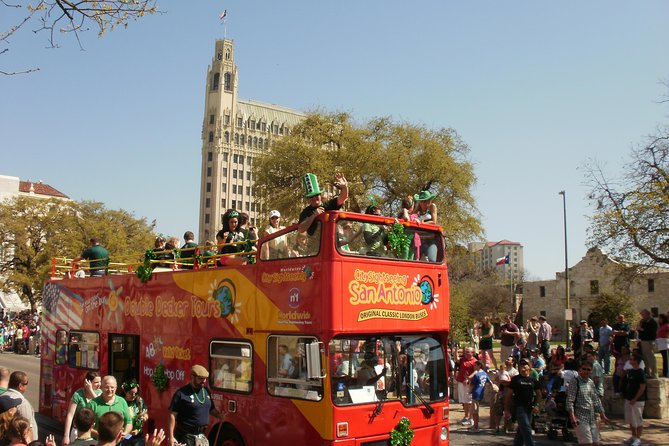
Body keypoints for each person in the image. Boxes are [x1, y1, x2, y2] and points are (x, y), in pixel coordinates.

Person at [168, 365, 223, 446]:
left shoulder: (206, 391)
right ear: (192, 377)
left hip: (201, 435)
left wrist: (219, 415)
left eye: (205, 378)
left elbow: (211, 409)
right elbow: (172, 415)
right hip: (185, 435)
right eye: (200, 378)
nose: (203, 381)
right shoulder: (181, 393)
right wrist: (171, 436)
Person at [566, 360, 609, 446]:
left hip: (591, 417)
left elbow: (596, 400)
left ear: (591, 371)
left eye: (588, 369)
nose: (586, 371)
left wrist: (603, 415)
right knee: (587, 443)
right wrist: (572, 417)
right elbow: (570, 400)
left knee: (596, 442)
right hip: (580, 417)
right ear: (580, 369)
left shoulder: (590, 382)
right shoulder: (575, 382)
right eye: (584, 369)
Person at [504, 359, 541, 446]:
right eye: (521, 364)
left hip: (529, 408)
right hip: (519, 408)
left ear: (530, 366)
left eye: (525, 364)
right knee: (527, 429)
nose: (523, 366)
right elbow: (508, 396)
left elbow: (539, 394)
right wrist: (506, 409)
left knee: (521, 432)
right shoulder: (516, 380)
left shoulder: (533, 380)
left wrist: (536, 405)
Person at [63, 371, 102, 445]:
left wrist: (91, 391)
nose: (99, 384)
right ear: (88, 382)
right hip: (77, 431)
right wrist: (66, 435)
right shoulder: (78, 394)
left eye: (100, 382)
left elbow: (100, 404)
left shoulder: (100, 393)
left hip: (93, 431)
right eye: (96, 382)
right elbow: (70, 415)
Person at [622, 352, 646, 446]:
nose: (630, 361)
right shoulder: (631, 371)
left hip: (638, 401)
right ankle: (633, 436)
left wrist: (635, 399)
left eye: (632, 359)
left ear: (636, 361)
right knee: (631, 419)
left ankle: (638, 438)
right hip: (629, 399)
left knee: (638, 420)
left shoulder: (640, 373)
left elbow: (642, 388)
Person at [5, 371, 38, 440]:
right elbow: (28, 426)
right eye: (26, 383)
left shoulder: (2, 396)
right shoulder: (22, 403)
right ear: (20, 386)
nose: (27, 386)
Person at [455, 347, 477, 426]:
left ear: (472, 353)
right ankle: (466, 416)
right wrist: (456, 351)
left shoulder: (475, 361)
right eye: (466, 352)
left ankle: (471, 418)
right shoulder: (463, 359)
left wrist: (468, 378)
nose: (466, 353)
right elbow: (457, 359)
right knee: (464, 401)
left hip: (469, 384)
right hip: (461, 382)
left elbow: (476, 371)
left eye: (468, 352)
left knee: (469, 401)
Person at [636, 309, 658, 378]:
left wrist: (641, 329)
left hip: (649, 341)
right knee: (645, 358)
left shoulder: (652, 322)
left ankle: (654, 374)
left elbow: (651, 332)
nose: (642, 316)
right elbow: (640, 331)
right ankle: (648, 373)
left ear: (648, 314)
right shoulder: (643, 322)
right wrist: (639, 329)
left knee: (650, 358)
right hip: (643, 341)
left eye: (643, 314)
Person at [468, 361, 488, 433]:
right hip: (481, 393)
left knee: (475, 411)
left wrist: (469, 391)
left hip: (476, 394)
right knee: (476, 410)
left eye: (475, 365)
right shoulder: (484, 373)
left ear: (479, 365)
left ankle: (476, 427)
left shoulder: (476, 375)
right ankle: (475, 425)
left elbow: (472, 385)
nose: (474, 366)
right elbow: (489, 381)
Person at [657, 313, 669, 378]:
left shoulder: (666, 325)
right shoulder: (662, 326)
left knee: (666, 359)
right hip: (661, 344)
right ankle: (666, 372)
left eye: (660, 318)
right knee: (665, 358)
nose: (659, 320)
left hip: (664, 343)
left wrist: (664, 336)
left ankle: (666, 373)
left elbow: (667, 333)